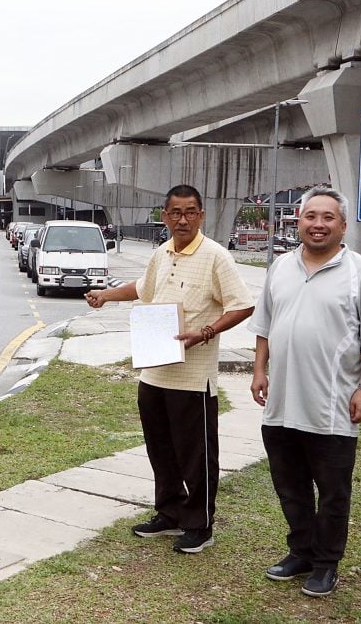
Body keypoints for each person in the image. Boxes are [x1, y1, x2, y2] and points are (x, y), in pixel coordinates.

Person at [85, 184, 254, 554]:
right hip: (153, 373)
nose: (183, 219)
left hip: (193, 379)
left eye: (190, 212)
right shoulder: (161, 253)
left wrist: (206, 332)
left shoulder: (215, 256)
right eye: (175, 212)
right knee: (161, 449)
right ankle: (170, 512)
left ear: (201, 215)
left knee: (196, 455)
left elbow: (242, 305)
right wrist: (105, 295)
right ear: (164, 216)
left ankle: (200, 524)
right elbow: (143, 290)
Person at [249, 187, 361, 597]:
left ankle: (326, 564)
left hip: (332, 409)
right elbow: (264, 325)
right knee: (289, 486)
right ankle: (302, 552)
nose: (318, 224)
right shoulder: (280, 267)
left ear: (343, 226)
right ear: (298, 221)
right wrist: (259, 369)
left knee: (332, 493)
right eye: (310, 216)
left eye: (327, 217)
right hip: (280, 403)